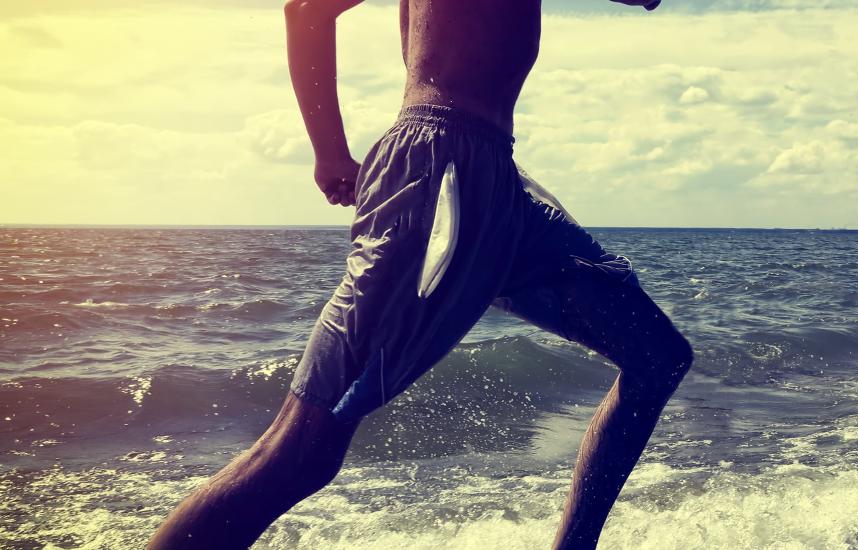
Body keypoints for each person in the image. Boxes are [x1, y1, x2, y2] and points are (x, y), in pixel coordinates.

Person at [148, 0, 689, 548]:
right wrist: (330, 154)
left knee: (656, 356)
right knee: (302, 449)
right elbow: (308, 11)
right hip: (438, 172)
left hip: (498, 185)